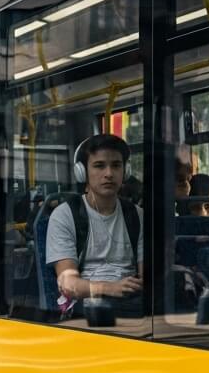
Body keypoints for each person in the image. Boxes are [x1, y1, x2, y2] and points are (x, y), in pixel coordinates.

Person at [49, 134, 144, 317]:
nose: (109, 173)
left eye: (116, 165)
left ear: (126, 171)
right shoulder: (65, 215)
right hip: (86, 301)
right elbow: (68, 284)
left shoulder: (137, 215)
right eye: (99, 166)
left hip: (130, 297)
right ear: (82, 172)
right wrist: (110, 288)